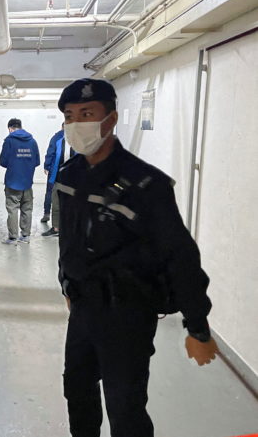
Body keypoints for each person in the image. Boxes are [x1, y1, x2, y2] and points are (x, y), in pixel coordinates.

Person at [55, 78, 218, 437]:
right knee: (78, 392)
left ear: (110, 119)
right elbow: (68, 239)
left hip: (127, 312)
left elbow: (180, 256)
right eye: (69, 116)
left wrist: (197, 326)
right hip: (83, 308)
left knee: (124, 405)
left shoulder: (145, 184)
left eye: (87, 113)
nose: (76, 123)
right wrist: (66, 283)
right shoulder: (71, 176)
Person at [0, 118, 40, 244]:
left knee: (12, 209)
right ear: (21, 127)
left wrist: (14, 164)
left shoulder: (9, 141)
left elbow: (3, 161)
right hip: (27, 182)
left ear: (10, 128)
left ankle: (13, 237)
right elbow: (37, 161)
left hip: (12, 181)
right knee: (27, 209)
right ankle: (25, 236)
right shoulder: (32, 141)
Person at [41, 122, 73, 237]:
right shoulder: (58, 139)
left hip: (71, 177)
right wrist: (47, 166)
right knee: (56, 200)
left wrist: (46, 166)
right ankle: (56, 227)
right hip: (58, 176)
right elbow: (51, 152)